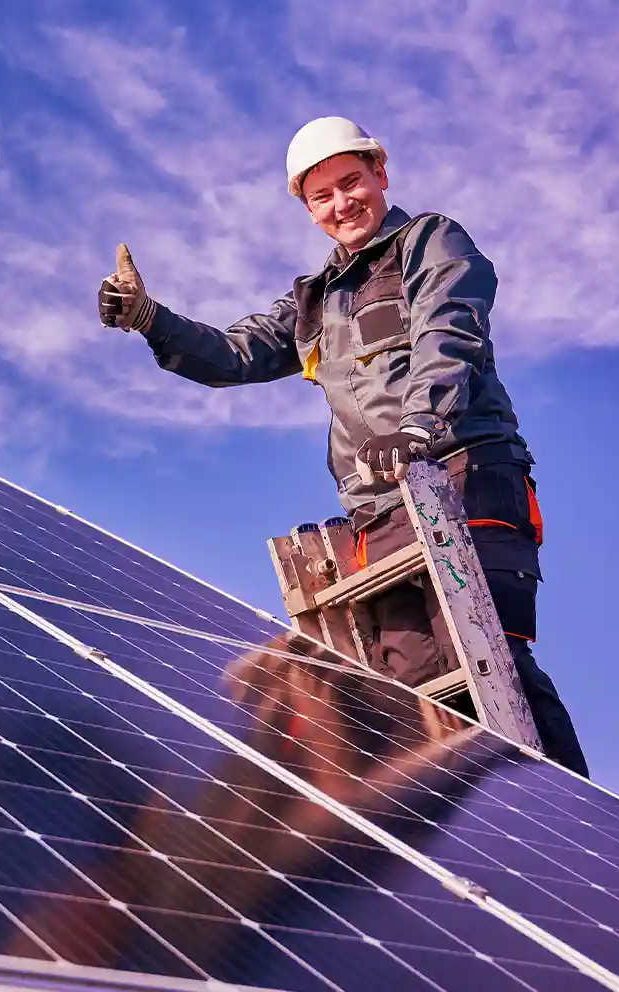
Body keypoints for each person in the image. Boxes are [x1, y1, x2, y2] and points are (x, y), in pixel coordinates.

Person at [97, 116, 589, 777]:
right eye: (321, 195)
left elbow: (450, 332)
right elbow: (233, 354)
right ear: (306, 207)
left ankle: (566, 813)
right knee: (416, 688)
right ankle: (485, 850)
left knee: (489, 655)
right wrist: (148, 318)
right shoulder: (315, 300)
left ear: (380, 172)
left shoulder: (429, 242)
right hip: (378, 512)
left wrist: (421, 426)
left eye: (351, 182)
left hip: (463, 475)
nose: (341, 204)